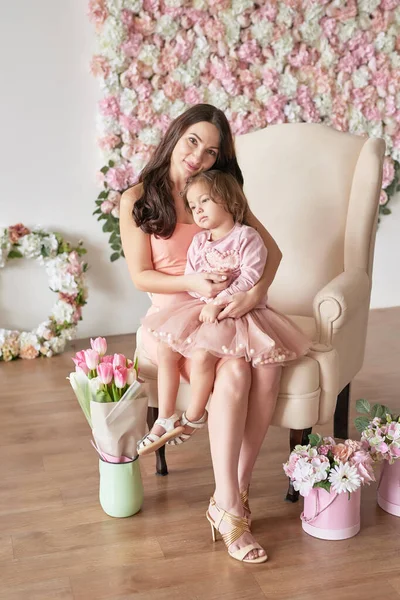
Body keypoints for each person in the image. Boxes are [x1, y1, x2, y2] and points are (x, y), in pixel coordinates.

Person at [120, 104, 286, 564]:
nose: (198, 156)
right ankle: (230, 506)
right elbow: (141, 276)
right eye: (193, 140)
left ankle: (233, 497)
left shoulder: (217, 192)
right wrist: (194, 284)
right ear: (175, 135)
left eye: (211, 151)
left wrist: (254, 295)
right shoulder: (137, 197)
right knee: (234, 377)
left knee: (261, 372)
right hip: (177, 314)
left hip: (223, 310)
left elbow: (269, 253)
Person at [137, 170, 309, 458]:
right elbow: (194, 277)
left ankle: (194, 416)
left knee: (204, 355)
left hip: (236, 311)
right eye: (193, 205)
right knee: (167, 348)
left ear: (228, 201)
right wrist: (206, 294)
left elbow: (250, 278)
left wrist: (219, 301)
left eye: (205, 200)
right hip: (205, 307)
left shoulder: (247, 237)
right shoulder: (199, 242)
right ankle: (165, 417)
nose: (198, 209)